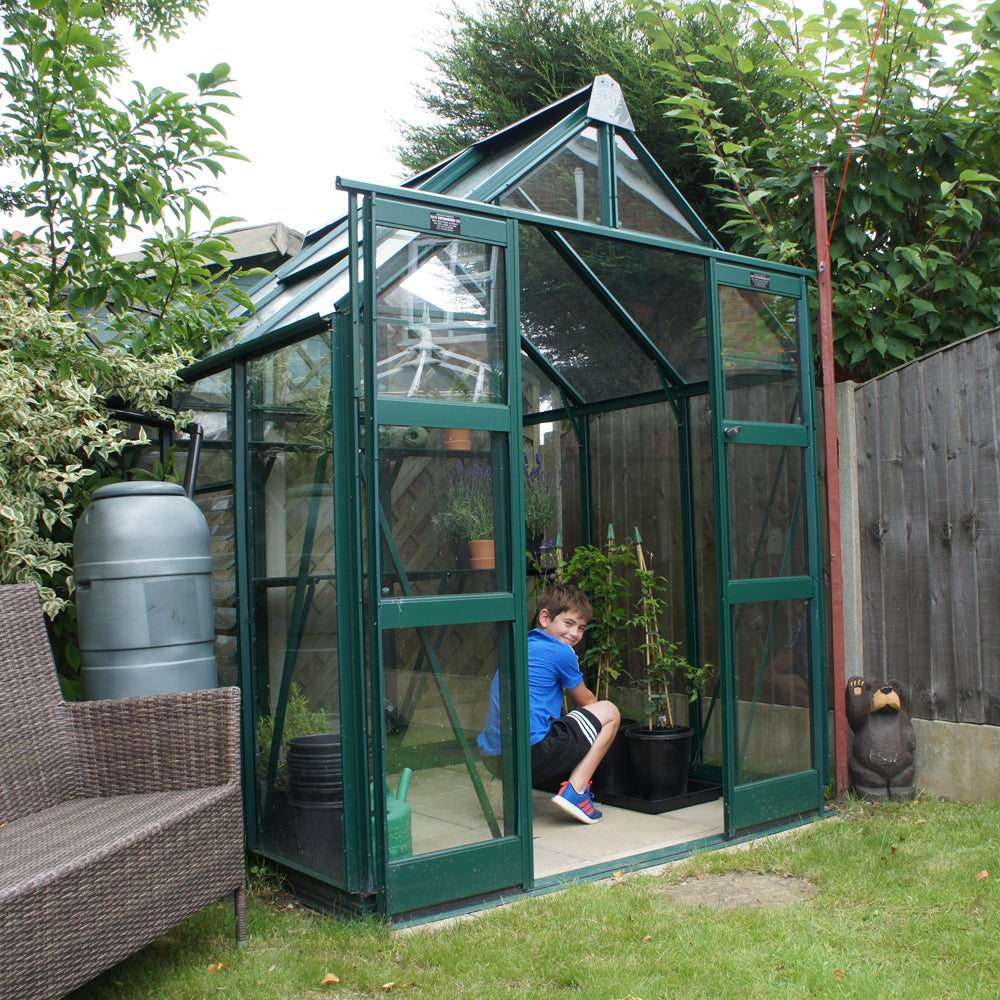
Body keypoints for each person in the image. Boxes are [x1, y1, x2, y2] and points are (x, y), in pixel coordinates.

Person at [477, 584, 621, 824]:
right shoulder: (561, 652)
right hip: (532, 756)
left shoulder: (520, 645)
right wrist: (596, 738)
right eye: (568, 623)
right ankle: (576, 791)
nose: (574, 634)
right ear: (545, 617)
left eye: (581, 627)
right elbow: (587, 702)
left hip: (494, 758)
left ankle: (504, 785)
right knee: (610, 712)